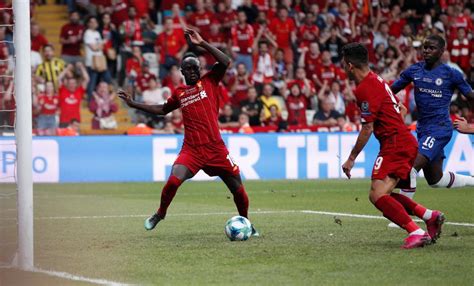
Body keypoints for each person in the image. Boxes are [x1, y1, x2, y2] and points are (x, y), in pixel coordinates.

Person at [118, 28, 259, 236]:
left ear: (200, 68)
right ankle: (160, 213)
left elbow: (226, 61)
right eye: (188, 69)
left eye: (195, 67)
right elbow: (161, 110)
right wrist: (134, 104)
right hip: (192, 150)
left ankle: (246, 222)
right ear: (182, 73)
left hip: (215, 148)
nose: (192, 71)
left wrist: (202, 42)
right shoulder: (180, 94)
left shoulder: (211, 80)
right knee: (173, 180)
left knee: (237, 189)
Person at [340, 43, 443, 249]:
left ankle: (416, 231)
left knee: (376, 195)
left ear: (350, 66)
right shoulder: (377, 80)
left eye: (344, 64)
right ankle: (430, 216)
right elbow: (402, 108)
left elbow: (367, 128)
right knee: (384, 193)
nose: (343, 68)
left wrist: (351, 158)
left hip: (394, 144)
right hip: (403, 140)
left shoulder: (364, 88)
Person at [391, 35, 474, 200]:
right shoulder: (414, 70)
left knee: (409, 169)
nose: (427, 51)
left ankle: (403, 215)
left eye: (432, 48)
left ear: (442, 51)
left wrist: (471, 125)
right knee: (436, 180)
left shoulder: (451, 74)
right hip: (422, 129)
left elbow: (471, 97)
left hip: (440, 129)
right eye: (425, 47)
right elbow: (390, 91)